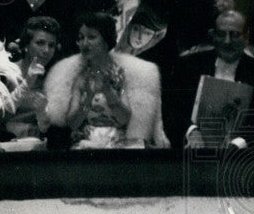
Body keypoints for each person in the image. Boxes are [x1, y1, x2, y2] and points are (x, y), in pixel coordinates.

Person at [44, 11, 169, 149]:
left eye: (91, 37)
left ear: (106, 40)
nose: (85, 43)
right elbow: (72, 123)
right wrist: (88, 97)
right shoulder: (80, 77)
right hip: (88, 144)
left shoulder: (123, 74)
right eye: (81, 37)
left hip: (122, 144)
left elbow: (124, 119)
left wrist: (108, 92)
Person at [167, 10, 254, 147]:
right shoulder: (188, 66)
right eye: (221, 34)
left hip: (240, 159)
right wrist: (191, 132)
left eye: (235, 35)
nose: (227, 41)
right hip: (191, 154)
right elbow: (172, 111)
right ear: (213, 35)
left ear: (246, 36)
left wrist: (237, 144)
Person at [0, 15, 60, 151]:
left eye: (51, 45)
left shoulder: (53, 78)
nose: (46, 50)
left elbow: (52, 127)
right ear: (26, 45)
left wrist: (42, 113)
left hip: (38, 145)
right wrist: (27, 83)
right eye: (40, 43)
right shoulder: (5, 71)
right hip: (2, 141)